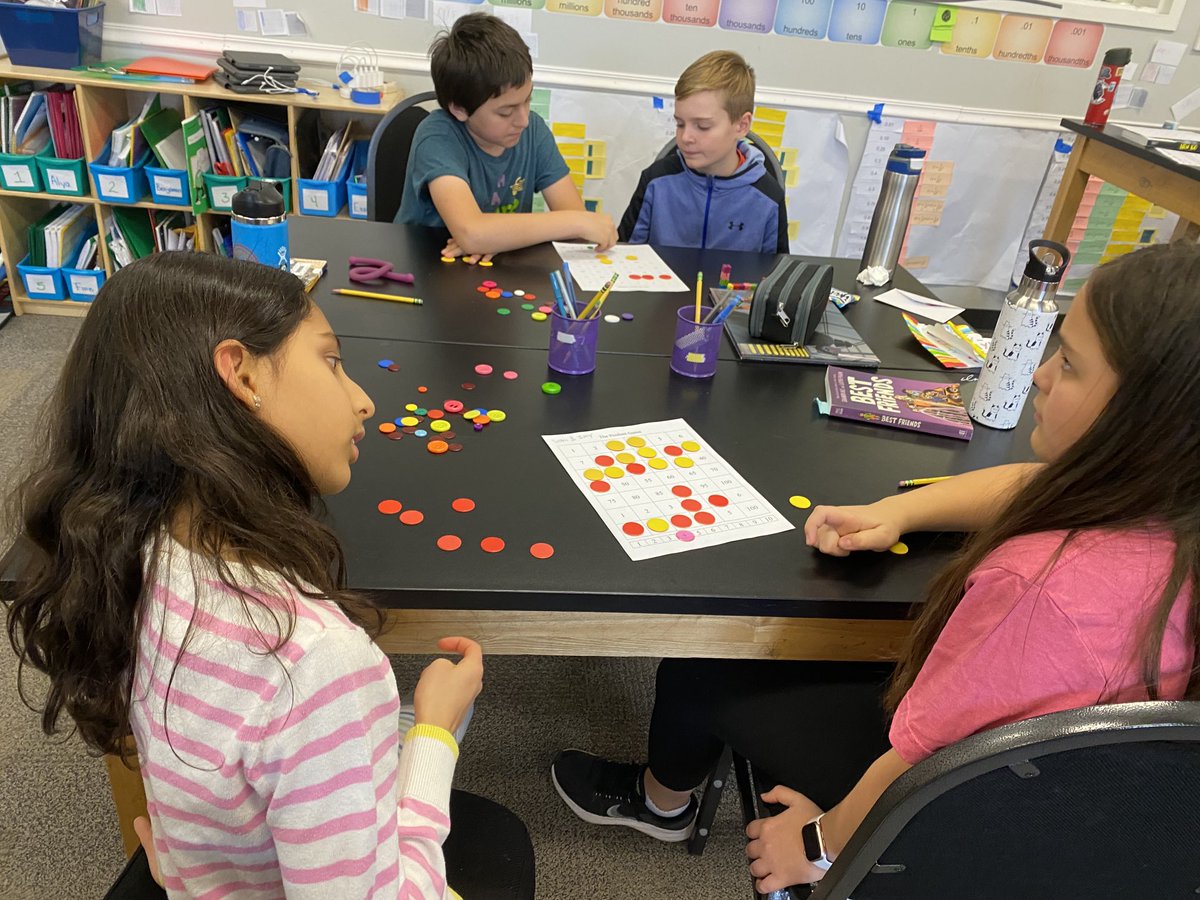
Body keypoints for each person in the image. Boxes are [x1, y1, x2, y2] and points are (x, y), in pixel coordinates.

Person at [552, 240, 1200, 892]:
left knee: (704, 664)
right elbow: (1030, 483)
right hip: (1102, 812)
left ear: (1147, 416)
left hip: (964, 810)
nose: (1040, 372)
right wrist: (901, 513)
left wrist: (821, 841)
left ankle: (660, 804)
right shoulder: (1169, 498)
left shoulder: (1040, 591)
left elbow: (920, 759)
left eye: (1073, 364)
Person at [5, 253, 483, 898]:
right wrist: (434, 733)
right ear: (242, 372)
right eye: (332, 362)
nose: (363, 400)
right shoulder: (320, 663)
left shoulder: (128, 552)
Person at [397, 13, 617, 262]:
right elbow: (472, 233)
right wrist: (485, 234)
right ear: (459, 109)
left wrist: (499, 237)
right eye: (506, 112)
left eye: (527, 100)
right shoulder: (436, 136)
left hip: (496, 270)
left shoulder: (533, 129)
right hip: (427, 269)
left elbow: (578, 228)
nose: (523, 120)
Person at [618, 51, 788, 254]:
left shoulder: (768, 197)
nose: (686, 137)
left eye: (703, 126)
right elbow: (623, 257)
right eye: (680, 124)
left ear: (742, 126)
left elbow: (775, 275)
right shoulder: (655, 180)